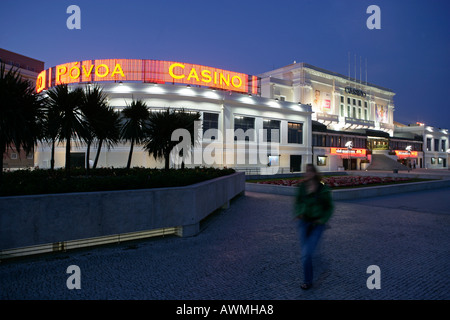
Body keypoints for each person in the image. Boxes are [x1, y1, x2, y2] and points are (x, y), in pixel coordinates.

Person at [294, 164, 334, 290]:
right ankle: (311, 268)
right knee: (306, 253)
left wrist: (324, 219)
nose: (307, 173)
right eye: (306, 171)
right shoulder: (302, 187)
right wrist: (298, 212)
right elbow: (297, 202)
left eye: (310, 171)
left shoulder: (323, 189)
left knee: (306, 253)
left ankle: (307, 281)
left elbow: (330, 207)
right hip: (304, 222)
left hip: (317, 224)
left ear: (315, 173)